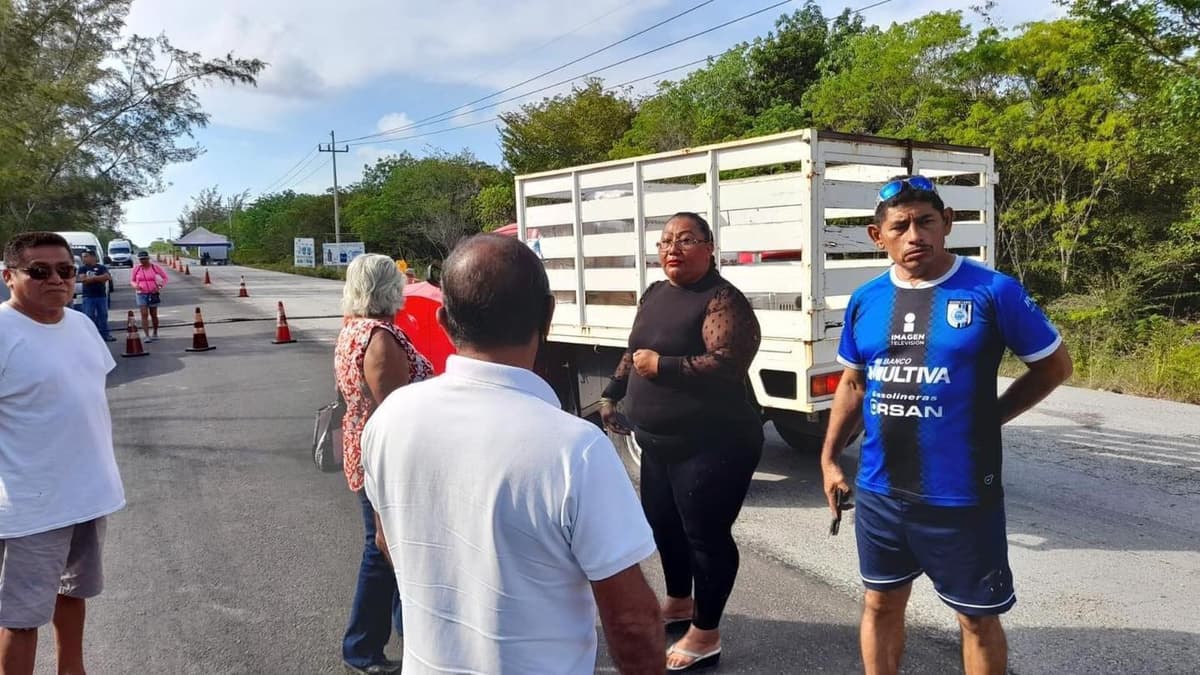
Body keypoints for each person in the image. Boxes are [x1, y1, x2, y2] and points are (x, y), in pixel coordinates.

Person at [360, 234, 664, 674]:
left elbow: (387, 540)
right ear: (549, 315)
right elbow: (632, 622)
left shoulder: (388, 421)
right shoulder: (575, 449)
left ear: (444, 320)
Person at [820, 176, 1074, 675]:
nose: (915, 235)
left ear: (947, 225)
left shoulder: (992, 291)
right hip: (879, 490)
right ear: (879, 236)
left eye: (926, 222)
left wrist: (990, 417)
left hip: (960, 496)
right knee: (880, 604)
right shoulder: (867, 299)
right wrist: (829, 457)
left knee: (976, 620)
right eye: (901, 226)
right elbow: (852, 383)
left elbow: (1054, 366)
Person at [599, 211, 763, 671]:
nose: (673, 248)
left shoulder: (722, 299)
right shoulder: (655, 293)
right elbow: (635, 351)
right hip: (657, 442)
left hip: (714, 443)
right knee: (663, 526)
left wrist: (664, 367)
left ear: (710, 248)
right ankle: (678, 602)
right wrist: (612, 394)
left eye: (687, 239)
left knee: (705, 537)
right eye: (666, 240)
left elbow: (729, 361)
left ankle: (706, 632)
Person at [0, 232, 126, 675]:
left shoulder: (82, 325)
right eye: (39, 271)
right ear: (8, 276)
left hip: (88, 496)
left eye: (65, 270)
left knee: (73, 594)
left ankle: (73, 670)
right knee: (21, 618)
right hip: (31, 506)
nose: (55, 279)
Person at [334, 253, 433, 675]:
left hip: (363, 445)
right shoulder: (378, 338)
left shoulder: (352, 328)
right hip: (384, 457)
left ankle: (407, 634)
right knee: (383, 550)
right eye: (399, 279)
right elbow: (394, 415)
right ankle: (362, 649)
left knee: (394, 549)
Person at [77, 250, 116, 342]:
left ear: (93, 257)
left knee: (103, 316)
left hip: (101, 296)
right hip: (88, 296)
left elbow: (107, 277)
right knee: (89, 316)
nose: (83, 259)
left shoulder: (101, 267)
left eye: (86, 256)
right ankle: (90, 336)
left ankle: (105, 335)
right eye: (83, 257)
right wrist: (99, 278)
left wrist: (91, 278)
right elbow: (84, 280)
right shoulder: (82, 268)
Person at [130, 250, 168, 343]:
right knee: (144, 314)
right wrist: (135, 285)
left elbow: (165, 278)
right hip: (141, 293)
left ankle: (155, 332)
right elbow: (132, 280)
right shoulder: (137, 268)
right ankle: (147, 335)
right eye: (141, 259)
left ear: (148, 258)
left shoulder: (155, 268)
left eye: (144, 259)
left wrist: (159, 287)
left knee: (153, 314)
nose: (143, 261)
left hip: (153, 293)